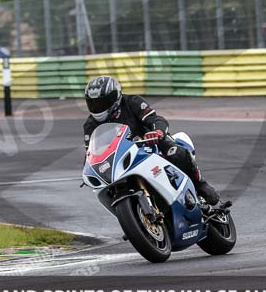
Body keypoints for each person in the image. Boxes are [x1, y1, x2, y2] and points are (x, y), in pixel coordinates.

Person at [83, 75, 220, 205]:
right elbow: (91, 152)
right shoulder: (90, 125)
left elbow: (155, 119)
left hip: (150, 144)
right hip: (120, 158)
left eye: (103, 102)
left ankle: (200, 184)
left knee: (175, 153)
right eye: (94, 103)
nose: (99, 107)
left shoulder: (132, 102)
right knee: (106, 189)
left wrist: (157, 132)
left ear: (116, 97)